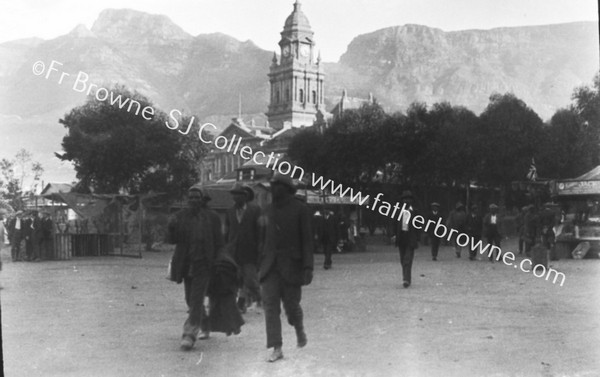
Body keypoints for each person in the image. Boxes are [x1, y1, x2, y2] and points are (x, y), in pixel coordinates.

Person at [259, 173, 314, 362]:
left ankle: (299, 328)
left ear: (286, 188)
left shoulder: (301, 210)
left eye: (276, 186)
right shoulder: (266, 211)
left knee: (292, 307)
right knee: (270, 307)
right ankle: (277, 347)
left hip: (292, 266)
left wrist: (308, 267)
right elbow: (261, 238)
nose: (272, 189)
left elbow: (307, 241)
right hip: (269, 267)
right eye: (271, 186)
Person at [167, 185, 223, 351]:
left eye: (197, 197)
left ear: (202, 200)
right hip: (186, 264)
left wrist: (219, 261)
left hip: (204, 264)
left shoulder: (212, 218)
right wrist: (171, 227)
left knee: (197, 299)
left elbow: (219, 242)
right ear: (187, 200)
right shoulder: (180, 217)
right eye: (190, 197)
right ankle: (205, 324)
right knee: (190, 300)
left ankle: (189, 335)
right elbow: (172, 240)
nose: (193, 200)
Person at [224, 183, 262, 314]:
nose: (235, 198)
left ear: (245, 196)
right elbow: (227, 231)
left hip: (250, 251)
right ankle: (241, 303)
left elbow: (261, 231)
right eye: (233, 195)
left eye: (238, 195)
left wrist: (260, 249)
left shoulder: (255, 210)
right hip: (233, 252)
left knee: (250, 279)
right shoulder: (229, 211)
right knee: (237, 279)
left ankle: (261, 299)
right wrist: (225, 248)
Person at [395, 190, 419, 288]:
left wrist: (417, 238)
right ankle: (405, 276)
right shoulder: (398, 211)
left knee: (407, 259)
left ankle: (406, 279)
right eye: (405, 199)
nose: (406, 201)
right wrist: (394, 235)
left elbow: (418, 225)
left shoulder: (415, 212)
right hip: (401, 238)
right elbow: (394, 223)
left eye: (408, 199)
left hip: (410, 238)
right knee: (402, 259)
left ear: (411, 201)